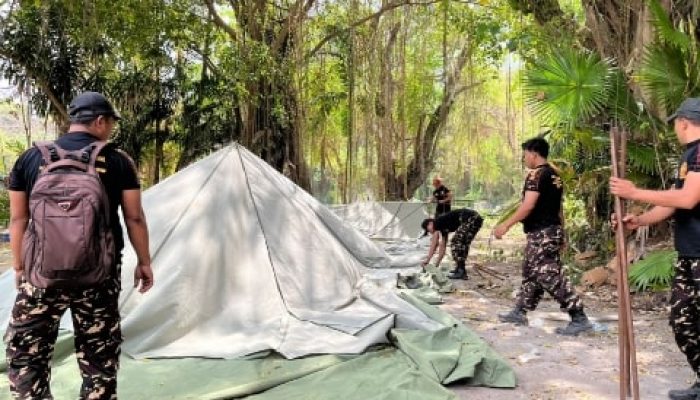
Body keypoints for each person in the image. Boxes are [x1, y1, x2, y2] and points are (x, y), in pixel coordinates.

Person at [4, 91, 153, 400]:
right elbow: (134, 218)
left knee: (26, 352)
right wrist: (144, 262)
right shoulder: (118, 160)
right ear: (99, 121)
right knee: (99, 359)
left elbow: (18, 220)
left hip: (40, 278)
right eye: (111, 122)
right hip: (99, 276)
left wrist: (20, 266)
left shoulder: (31, 159)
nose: (111, 128)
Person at [610, 97, 700, 400]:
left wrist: (633, 191)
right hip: (690, 253)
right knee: (682, 318)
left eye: (676, 122)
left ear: (684, 122)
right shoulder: (690, 155)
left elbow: (688, 199)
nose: (675, 127)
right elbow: (673, 201)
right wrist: (639, 219)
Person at [493, 137, 592, 336]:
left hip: (542, 232)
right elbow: (559, 209)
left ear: (533, 153)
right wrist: (561, 233)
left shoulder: (536, 175)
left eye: (525, 155)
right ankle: (520, 311)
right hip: (551, 230)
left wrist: (506, 225)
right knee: (531, 272)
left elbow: (528, 205)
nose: (524, 159)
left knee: (548, 274)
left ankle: (578, 316)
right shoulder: (555, 174)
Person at [421, 208, 483, 280]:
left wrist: (428, 260)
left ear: (430, 223)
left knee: (456, 242)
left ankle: (461, 271)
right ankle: (460, 269)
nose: (429, 232)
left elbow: (435, 244)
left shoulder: (437, 223)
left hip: (470, 218)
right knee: (463, 244)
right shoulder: (442, 226)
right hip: (475, 219)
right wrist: (436, 265)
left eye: (428, 230)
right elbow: (443, 246)